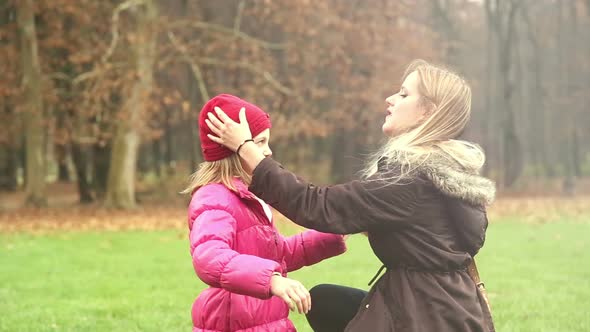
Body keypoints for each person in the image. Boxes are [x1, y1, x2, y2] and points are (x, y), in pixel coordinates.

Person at [205, 60, 496, 332]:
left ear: (427, 112)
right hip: (449, 310)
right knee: (325, 303)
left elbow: (317, 205)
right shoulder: (442, 172)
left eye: (404, 94)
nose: (391, 99)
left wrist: (247, 149)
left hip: (421, 317)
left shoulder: (409, 180)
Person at [184, 94, 347, 332]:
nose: (268, 152)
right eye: (260, 142)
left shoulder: (250, 197)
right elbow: (209, 257)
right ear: (230, 150)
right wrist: (272, 280)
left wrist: (334, 233)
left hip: (266, 321)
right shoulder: (215, 197)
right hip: (237, 324)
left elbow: (278, 254)